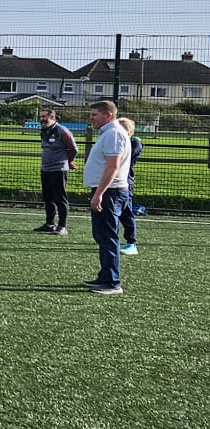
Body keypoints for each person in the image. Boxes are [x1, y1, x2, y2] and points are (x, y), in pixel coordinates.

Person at [81, 97, 131, 294]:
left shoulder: (113, 134)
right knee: (102, 235)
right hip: (107, 191)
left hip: (110, 192)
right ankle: (105, 277)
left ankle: (112, 282)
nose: (91, 118)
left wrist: (99, 193)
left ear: (108, 115)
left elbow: (113, 166)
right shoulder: (109, 133)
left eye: (95, 114)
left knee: (108, 236)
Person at [34, 103, 77, 236]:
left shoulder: (62, 131)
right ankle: (49, 224)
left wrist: (68, 161)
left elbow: (73, 148)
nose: (41, 119)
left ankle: (62, 226)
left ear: (52, 117)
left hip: (58, 169)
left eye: (44, 117)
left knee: (60, 198)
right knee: (48, 198)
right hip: (45, 169)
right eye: (40, 117)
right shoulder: (44, 131)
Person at [118, 117, 143, 257]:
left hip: (125, 182)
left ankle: (131, 243)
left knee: (126, 212)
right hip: (112, 182)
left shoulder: (135, 143)